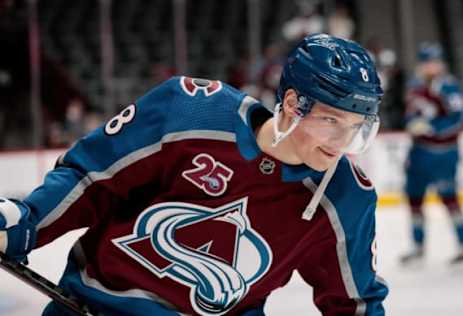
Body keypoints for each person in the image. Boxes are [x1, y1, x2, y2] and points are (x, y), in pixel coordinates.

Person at [0, 34, 388, 315]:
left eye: (357, 127)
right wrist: (27, 221)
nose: (342, 141)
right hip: (93, 304)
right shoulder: (190, 112)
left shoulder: (345, 197)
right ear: (292, 104)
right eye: (331, 121)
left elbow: (355, 305)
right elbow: (91, 177)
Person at [400, 42, 463, 265]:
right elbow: (411, 114)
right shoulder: (415, 86)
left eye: (434, 62)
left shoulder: (448, 87)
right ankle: (418, 247)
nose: (430, 66)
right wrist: (412, 124)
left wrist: (432, 127)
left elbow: (460, 118)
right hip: (419, 152)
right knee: (413, 199)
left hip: (443, 154)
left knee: (450, 199)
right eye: (426, 62)